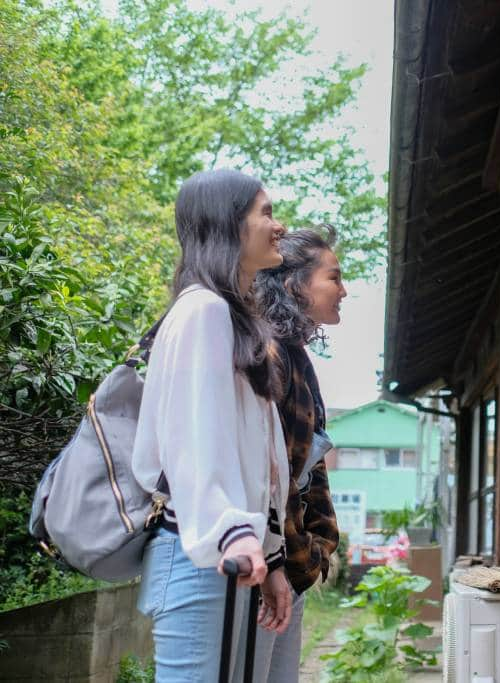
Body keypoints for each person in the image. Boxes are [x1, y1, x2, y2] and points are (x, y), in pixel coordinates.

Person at [131, 169, 293, 682]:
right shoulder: (202, 312)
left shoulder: (228, 316)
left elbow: (253, 459)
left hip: (223, 555)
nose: (279, 225)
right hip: (202, 554)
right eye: (265, 213)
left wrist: (267, 551)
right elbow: (193, 446)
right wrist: (233, 534)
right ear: (229, 224)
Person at [251, 227, 345, 681]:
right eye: (334, 278)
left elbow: (308, 472)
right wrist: (281, 563)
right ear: (293, 285)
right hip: (269, 571)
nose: (343, 290)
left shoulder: (296, 357)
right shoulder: (268, 354)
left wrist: (312, 554)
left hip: (289, 568)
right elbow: (270, 476)